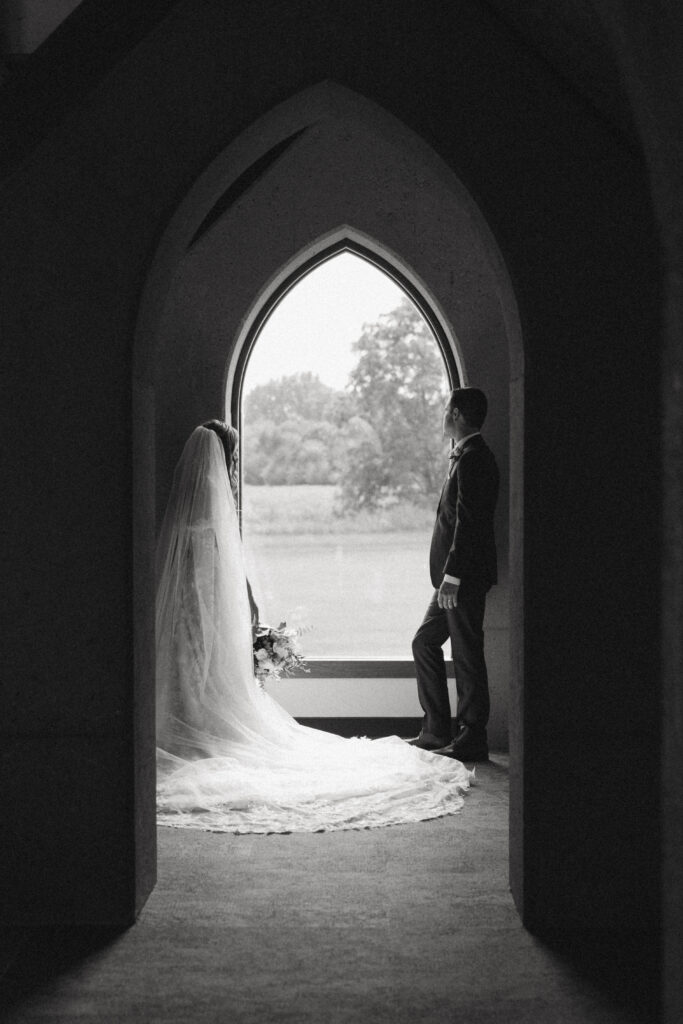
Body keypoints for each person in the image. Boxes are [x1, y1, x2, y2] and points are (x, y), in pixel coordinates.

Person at [155, 421, 473, 833]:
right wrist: (238, 612)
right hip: (201, 617)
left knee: (192, 680)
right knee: (201, 678)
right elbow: (216, 576)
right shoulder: (208, 514)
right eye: (232, 458)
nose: (233, 466)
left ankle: (195, 734)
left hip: (190, 617)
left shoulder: (189, 511)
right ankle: (198, 735)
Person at [409, 387, 499, 762]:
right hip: (452, 578)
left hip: (461, 578)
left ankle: (472, 736)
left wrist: (454, 576)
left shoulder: (475, 457)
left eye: (447, 407)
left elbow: (469, 523)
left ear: (458, 414)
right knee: (424, 642)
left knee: (466, 653)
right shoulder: (464, 456)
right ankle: (435, 730)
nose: (443, 414)